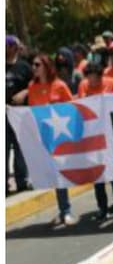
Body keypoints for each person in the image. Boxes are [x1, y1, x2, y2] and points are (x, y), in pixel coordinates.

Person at [18, 53, 76, 226]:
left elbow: (72, 107)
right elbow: (32, 111)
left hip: (60, 136)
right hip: (43, 136)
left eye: (37, 65)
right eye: (33, 65)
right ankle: (62, 209)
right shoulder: (32, 87)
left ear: (46, 66)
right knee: (52, 175)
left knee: (59, 173)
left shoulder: (59, 85)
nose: (33, 68)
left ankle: (66, 210)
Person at [77, 60, 113, 222]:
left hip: (111, 135)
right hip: (93, 137)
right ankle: (102, 207)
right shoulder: (83, 85)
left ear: (100, 76)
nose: (91, 82)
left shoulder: (111, 83)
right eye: (89, 78)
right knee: (97, 174)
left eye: (94, 79)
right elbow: (81, 107)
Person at [6, 35, 33, 193]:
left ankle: (21, 181)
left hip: (20, 114)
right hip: (4, 113)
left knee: (20, 147)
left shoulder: (24, 67)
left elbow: (35, 83)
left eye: (6, 45)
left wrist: (24, 92)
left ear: (13, 48)